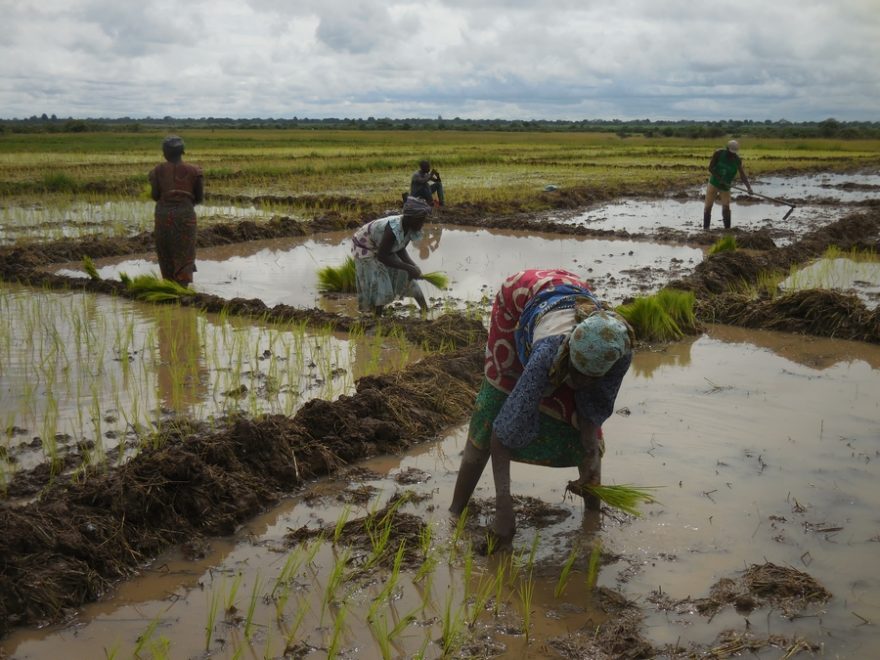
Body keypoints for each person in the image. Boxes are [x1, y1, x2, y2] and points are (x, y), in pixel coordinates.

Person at [449, 269, 634, 547]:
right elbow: (501, 435)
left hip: (568, 295)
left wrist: (590, 452)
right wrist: (503, 508)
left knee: (586, 417)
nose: (580, 383)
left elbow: (592, 416)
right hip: (518, 301)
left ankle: (592, 521)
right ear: (568, 354)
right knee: (494, 405)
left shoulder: (619, 350)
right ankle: (455, 512)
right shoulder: (547, 354)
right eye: (576, 373)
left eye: (590, 378)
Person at [351, 196, 431, 316]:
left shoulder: (411, 227)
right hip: (364, 246)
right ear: (409, 218)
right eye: (420, 220)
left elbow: (400, 248)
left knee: (405, 274)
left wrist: (412, 266)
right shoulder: (392, 229)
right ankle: (377, 317)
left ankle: (425, 310)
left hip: (382, 247)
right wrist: (408, 267)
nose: (422, 223)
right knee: (380, 280)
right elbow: (382, 257)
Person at [149, 135, 204, 286]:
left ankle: (169, 287)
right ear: (182, 152)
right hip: (185, 216)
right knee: (185, 252)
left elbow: (155, 196)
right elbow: (199, 198)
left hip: (163, 216)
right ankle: (182, 289)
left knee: (165, 252)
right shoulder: (195, 171)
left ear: (164, 153)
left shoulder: (156, 171)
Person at [703, 139, 753, 230]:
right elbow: (710, 168)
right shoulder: (718, 154)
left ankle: (727, 230)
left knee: (726, 208)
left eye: (734, 153)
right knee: (708, 207)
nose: (732, 155)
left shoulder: (737, 160)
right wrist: (719, 178)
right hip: (714, 183)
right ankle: (706, 229)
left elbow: (742, 175)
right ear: (727, 149)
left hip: (726, 186)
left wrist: (749, 188)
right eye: (730, 153)